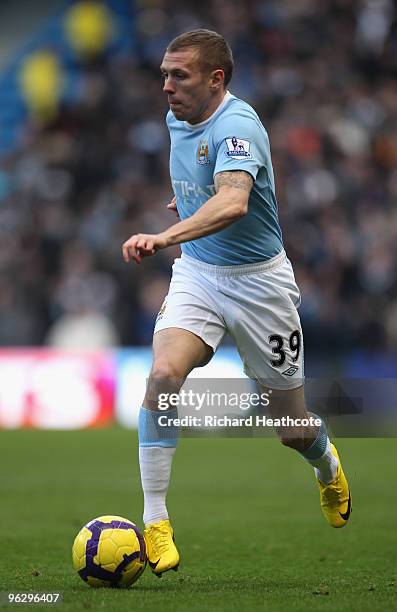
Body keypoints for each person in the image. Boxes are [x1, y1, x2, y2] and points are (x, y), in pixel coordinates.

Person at [122, 29, 351, 577]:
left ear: (215, 79)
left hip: (260, 286)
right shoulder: (178, 117)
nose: (167, 86)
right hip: (199, 274)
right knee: (162, 377)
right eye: (163, 74)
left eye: (179, 76)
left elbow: (234, 200)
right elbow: (206, 184)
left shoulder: (239, 125)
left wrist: (166, 233)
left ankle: (325, 461)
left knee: (290, 429)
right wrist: (188, 200)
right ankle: (155, 520)